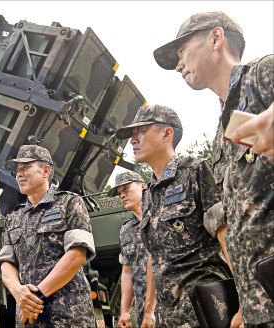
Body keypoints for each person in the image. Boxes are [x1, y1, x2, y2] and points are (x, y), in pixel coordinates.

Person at [153, 11, 274, 326]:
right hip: (261, 302)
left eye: (182, 52)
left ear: (216, 38)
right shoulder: (224, 131)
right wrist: (246, 304)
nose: (179, 64)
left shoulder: (262, 75)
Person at [114, 104, 231, 328]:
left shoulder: (195, 172)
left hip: (205, 305)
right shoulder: (149, 194)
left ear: (167, 133)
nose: (132, 140)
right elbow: (154, 255)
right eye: (132, 135)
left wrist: (244, 297)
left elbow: (226, 234)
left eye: (140, 132)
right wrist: (149, 309)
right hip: (168, 314)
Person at [0, 145, 96, 327]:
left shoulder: (70, 203)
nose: (19, 174)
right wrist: (18, 292)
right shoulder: (13, 217)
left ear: (45, 171)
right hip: (29, 319)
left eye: (25, 168)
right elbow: (6, 263)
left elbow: (77, 255)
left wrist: (36, 297)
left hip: (68, 316)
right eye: (17, 170)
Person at [108, 172, 156, 328]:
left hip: (172, 301)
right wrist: (125, 311)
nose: (122, 195)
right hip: (144, 311)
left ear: (143, 186)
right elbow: (127, 271)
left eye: (126, 189)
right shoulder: (126, 230)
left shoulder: (160, 214)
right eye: (119, 193)